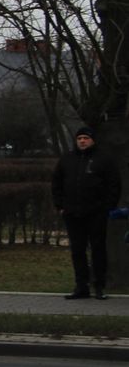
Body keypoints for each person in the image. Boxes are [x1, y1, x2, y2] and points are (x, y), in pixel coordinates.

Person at [52, 126, 121, 300]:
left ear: (92, 140)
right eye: (79, 138)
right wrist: (60, 205)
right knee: (77, 251)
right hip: (72, 213)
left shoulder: (104, 160)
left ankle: (99, 286)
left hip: (97, 213)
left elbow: (114, 185)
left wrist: (107, 207)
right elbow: (57, 184)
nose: (82, 141)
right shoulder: (66, 159)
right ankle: (81, 287)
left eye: (86, 138)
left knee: (98, 250)